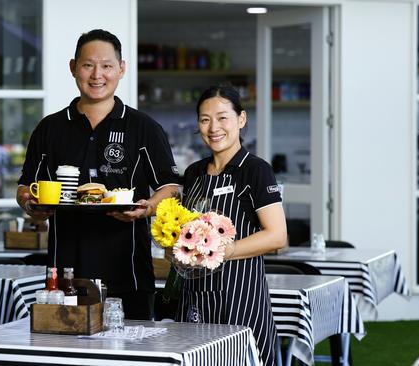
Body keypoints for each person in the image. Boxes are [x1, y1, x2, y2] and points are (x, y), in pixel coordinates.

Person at [16, 29, 179, 320]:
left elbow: (170, 186)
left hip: (128, 270)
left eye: (106, 66)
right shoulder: (50, 128)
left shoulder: (143, 128)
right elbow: (25, 187)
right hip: (65, 274)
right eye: (88, 65)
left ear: (122, 69)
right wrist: (32, 206)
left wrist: (147, 209)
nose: (97, 75)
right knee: (64, 354)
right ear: (73, 68)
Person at [177, 85, 287, 365]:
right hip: (195, 295)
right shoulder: (193, 173)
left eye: (223, 117)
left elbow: (277, 236)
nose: (214, 127)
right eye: (205, 119)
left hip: (241, 297)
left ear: (241, 119)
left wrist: (223, 251)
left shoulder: (256, 170)